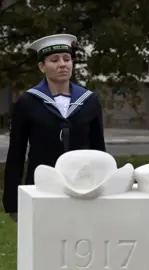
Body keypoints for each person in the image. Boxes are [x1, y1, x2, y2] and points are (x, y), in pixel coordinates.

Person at [2, 34, 106, 221]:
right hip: (41, 187)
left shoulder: (89, 100)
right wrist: (12, 201)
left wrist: (105, 188)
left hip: (83, 187)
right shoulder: (28, 102)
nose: (62, 64)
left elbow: (99, 150)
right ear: (42, 67)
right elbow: (16, 152)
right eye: (54, 60)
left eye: (67, 59)